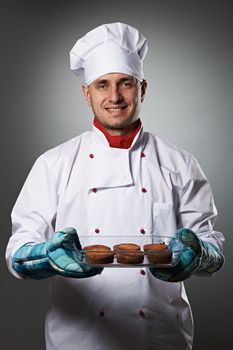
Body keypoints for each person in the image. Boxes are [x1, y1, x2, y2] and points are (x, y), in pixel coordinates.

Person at [6, 22, 225, 350]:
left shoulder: (181, 164)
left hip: (160, 338)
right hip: (78, 340)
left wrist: (197, 254)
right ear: (86, 93)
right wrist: (44, 257)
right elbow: (17, 250)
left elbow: (212, 247)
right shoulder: (54, 164)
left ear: (143, 89)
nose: (114, 97)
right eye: (102, 85)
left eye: (126, 84)